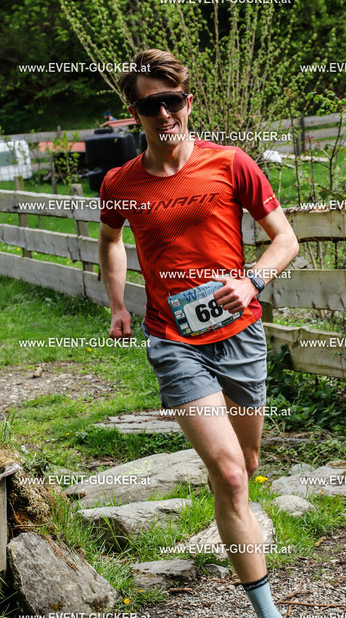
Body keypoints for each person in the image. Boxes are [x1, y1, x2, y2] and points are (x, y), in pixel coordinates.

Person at [98, 48, 299, 618]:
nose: (163, 114)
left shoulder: (231, 163)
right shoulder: (120, 183)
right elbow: (111, 241)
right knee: (231, 474)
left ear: (187, 103)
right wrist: (118, 304)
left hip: (240, 335)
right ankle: (268, 611)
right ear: (134, 113)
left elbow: (285, 239)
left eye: (171, 102)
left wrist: (252, 280)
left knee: (246, 465)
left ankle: (231, 524)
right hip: (174, 339)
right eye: (149, 106)